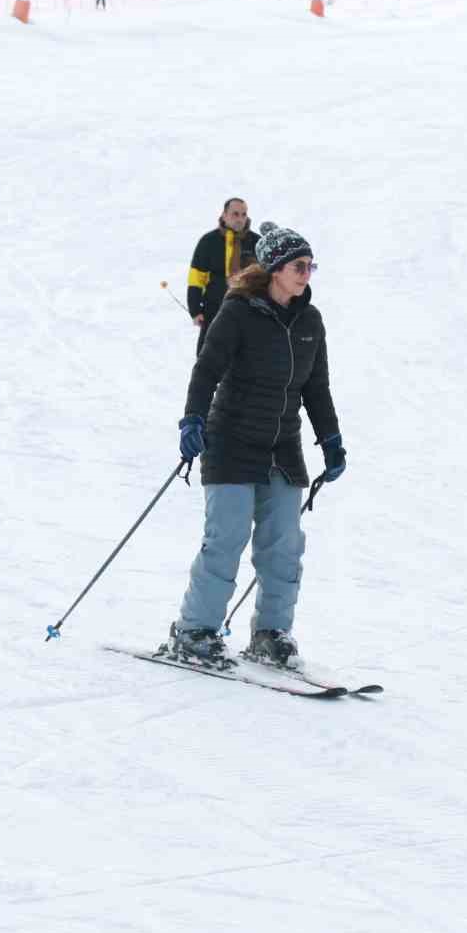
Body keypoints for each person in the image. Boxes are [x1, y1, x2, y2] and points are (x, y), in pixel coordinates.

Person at [170, 222, 346, 668]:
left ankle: (272, 633)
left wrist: (331, 441)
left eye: (310, 266)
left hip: (282, 448)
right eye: (298, 265)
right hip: (231, 441)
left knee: (283, 546)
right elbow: (207, 369)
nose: (306, 273)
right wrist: (192, 419)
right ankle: (195, 631)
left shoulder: (311, 321)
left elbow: (317, 389)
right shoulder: (238, 312)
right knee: (225, 540)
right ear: (273, 269)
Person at [187, 198, 260, 354]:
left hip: (248, 309)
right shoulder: (208, 241)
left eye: (243, 214)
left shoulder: (257, 242)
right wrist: (195, 309)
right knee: (207, 353)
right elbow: (196, 278)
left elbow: (268, 279)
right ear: (224, 215)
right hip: (214, 308)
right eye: (235, 214)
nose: (240, 219)